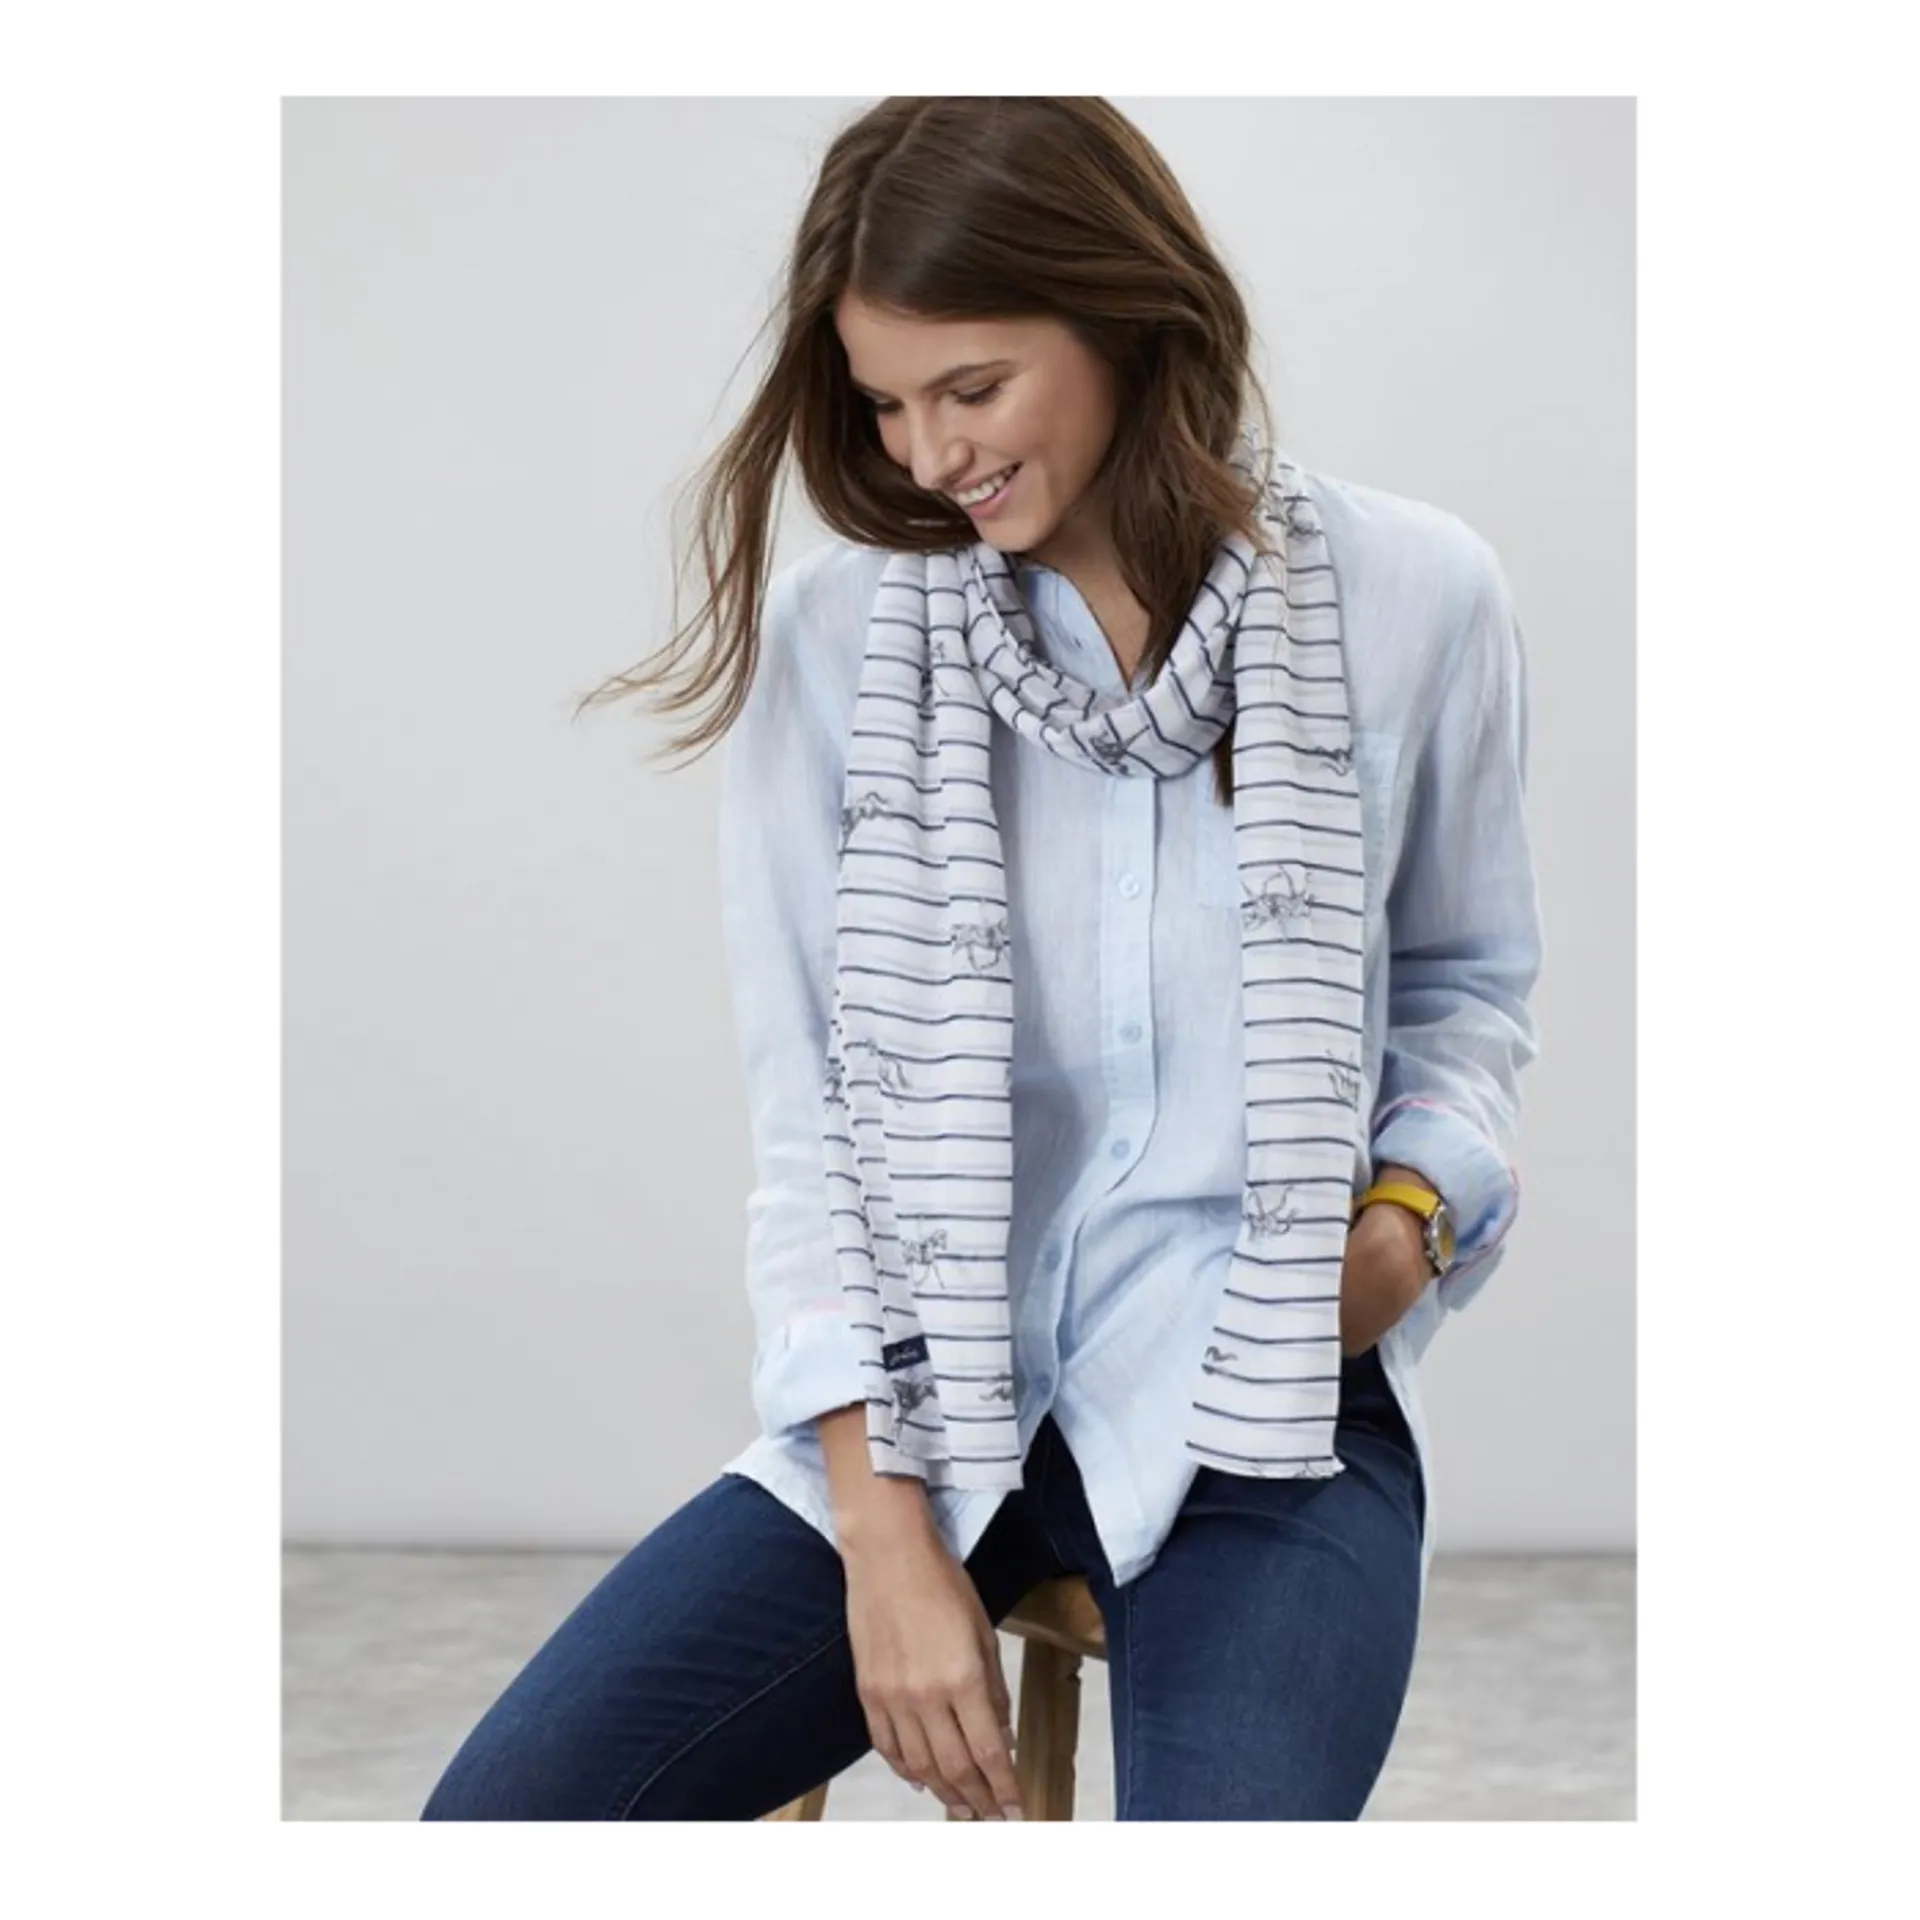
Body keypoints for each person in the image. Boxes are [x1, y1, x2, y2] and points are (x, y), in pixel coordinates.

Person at [420, 96, 1542, 1824]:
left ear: (1126, 316)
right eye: (885, 403)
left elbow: (1468, 991)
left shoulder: (1414, 598)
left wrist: (1402, 1239)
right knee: (500, 1828)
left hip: (1267, 1405)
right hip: (920, 1412)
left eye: (973, 387)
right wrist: (883, 1544)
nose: (928, 455)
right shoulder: (838, 641)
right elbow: (813, 1119)